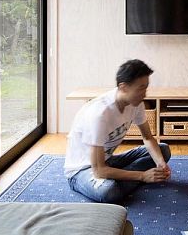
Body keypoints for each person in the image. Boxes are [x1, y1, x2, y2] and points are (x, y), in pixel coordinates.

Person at [64, 59, 171, 204]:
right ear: (124, 87)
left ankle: (121, 177)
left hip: (108, 161)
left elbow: (147, 138)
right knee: (109, 191)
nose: (144, 94)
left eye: (146, 88)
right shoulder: (100, 114)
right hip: (83, 170)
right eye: (141, 88)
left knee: (163, 151)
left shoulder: (135, 103)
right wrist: (142, 176)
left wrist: (160, 164)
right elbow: (99, 171)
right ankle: (123, 179)